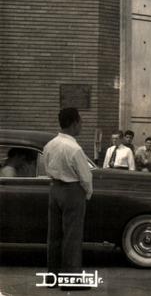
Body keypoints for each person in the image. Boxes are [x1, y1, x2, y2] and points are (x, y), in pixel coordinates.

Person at [43, 108, 93, 281]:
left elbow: (47, 167)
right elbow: (86, 177)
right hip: (72, 190)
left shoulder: (50, 145)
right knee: (72, 236)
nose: (81, 126)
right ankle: (71, 279)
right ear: (74, 123)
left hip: (54, 189)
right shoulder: (74, 148)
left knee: (54, 236)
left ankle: (52, 277)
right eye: (80, 122)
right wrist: (87, 194)